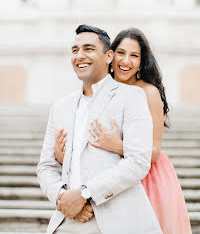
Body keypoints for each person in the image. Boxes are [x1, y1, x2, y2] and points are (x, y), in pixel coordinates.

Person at [55, 28, 192, 234]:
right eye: (121, 53)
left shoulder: (148, 92)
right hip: (107, 175)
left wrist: (116, 145)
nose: (125, 61)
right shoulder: (99, 91)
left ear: (141, 62)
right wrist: (62, 155)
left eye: (134, 55)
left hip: (147, 177)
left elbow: (153, 151)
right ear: (110, 55)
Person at [37, 25, 162, 234]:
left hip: (118, 221)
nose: (80, 55)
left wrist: (84, 194)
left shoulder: (132, 97)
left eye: (88, 49)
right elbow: (46, 167)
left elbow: (139, 161)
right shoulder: (60, 107)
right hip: (67, 221)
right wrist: (64, 199)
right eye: (75, 50)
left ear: (108, 56)